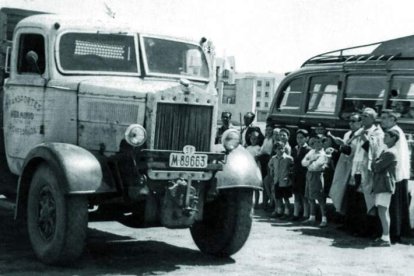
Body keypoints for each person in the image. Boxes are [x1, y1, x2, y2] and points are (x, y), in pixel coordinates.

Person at [350, 107, 384, 237]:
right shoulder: (360, 131)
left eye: (365, 116)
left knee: (368, 201)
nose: (362, 118)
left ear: (373, 119)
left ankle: (370, 230)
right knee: (358, 200)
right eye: (362, 116)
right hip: (358, 168)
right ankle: (358, 227)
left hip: (368, 170)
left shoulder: (377, 133)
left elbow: (374, 151)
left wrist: (364, 137)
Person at [380, 110, 411, 244]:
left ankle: (391, 234)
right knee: (395, 207)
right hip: (398, 174)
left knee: (392, 207)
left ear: (393, 119)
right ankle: (394, 233)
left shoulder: (394, 132)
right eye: (382, 118)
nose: (382, 120)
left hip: (394, 175)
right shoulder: (397, 130)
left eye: (386, 118)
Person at [328, 113, 363, 229]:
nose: (351, 123)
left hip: (353, 168)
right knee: (340, 191)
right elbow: (344, 149)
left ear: (360, 122)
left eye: (354, 121)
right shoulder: (348, 134)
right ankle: (342, 218)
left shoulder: (361, 134)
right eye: (350, 121)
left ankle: (350, 222)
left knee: (350, 195)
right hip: (343, 166)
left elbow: (355, 151)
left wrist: (343, 146)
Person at [370, 129, 400, 247]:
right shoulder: (388, 151)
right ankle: (384, 236)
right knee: (382, 210)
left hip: (384, 185)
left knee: (383, 210)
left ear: (393, 138)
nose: (384, 137)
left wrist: (373, 157)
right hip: (382, 184)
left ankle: (386, 238)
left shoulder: (390, 153)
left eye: (387, 136)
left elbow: (376, 167)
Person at [301, 135, 330, 227]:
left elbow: (316, 166)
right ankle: (312, 217)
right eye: (316, 142)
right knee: (310, 197)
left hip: (317, 176)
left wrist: (309, 162)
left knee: (320, 198)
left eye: (320, 142)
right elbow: (303, 163)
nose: (317, 144)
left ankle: (324, 219)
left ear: (323, 144)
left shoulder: (323, 155)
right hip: (309, 175)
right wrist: (311, 161)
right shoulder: (312, 151)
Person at [268, 141, 294, 218]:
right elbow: (270, 165)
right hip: (277, 180)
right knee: (278, 197)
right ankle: (279, 211)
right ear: (275, 150)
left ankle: (287, 212)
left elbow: (292, 168)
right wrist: (272, 171)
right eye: (278, 149)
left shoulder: (288, 158)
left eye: (282, 148)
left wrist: (289, 176)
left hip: (285, 181)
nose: (281, 150)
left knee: (286, 198)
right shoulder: (273, 158)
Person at [291, 129, 311, 221]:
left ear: (307, 138)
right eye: (297, 137)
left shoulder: (308, 150)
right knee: (296, 195)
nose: (299, 139)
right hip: (296, 174)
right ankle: (296, 214)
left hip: (304, 175)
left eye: (301, 138)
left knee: (304, 196)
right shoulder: (295, 149)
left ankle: (305, 214)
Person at [259, 124, 274, 209]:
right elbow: (262, 150)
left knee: (268, 181)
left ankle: (271, 201)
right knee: (264, 181)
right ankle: (265, 201)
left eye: (270, 130)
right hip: (263, 160)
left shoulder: (272, 140)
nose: (268, 131)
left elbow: (269, 152)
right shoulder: (265, 139)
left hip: (268, 159)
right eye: (267, 129)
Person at [246, 131, 262, 209]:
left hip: (255, 168)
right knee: (249, 186)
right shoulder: (247, 148)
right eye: (252, 138)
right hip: (248, 168)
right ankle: (249, 201)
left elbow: (258, 158)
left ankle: (256, 203)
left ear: (258, 140)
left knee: (256, 187)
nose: (253, 140)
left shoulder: (259, 148)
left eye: (255, 139)